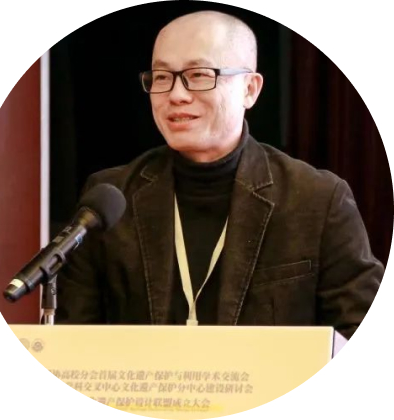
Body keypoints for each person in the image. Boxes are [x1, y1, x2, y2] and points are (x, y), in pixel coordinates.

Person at [55, 10, 383, 339]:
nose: (176, 95)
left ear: (250, 89)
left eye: (199, 75)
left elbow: (363, 334)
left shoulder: (317, 200)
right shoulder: (110, 199)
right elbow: (74, 341)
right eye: (162, 77)